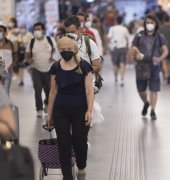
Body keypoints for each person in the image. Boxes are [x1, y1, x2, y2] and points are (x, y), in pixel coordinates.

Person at [47, 36, 94, 180]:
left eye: (68, 49)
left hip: (80, 109)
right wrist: (49, 114)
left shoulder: (84, 66)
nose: (65, 51)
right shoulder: (55, 67)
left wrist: (89, 110)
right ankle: (67, 176)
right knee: (63, 142)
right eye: (62, 49)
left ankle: (81, 168)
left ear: (75, 49)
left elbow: (89, 90)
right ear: (58, 50)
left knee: (79, 141)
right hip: (60, 110)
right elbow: (53, 91)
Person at [131, 14, 168, 120]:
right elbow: (132, 48)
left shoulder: (159, 36)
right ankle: (146, 103)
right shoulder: (138, 36)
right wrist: (135, 54)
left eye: (152, 23)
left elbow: (166, 50)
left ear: (156, 24)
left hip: (154, 66)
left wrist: (160, 59)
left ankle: (153, 110)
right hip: (141, 65)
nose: (149, 24)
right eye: (147, 22)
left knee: (154, 89)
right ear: (144, 24)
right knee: (141, 89)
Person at [25, 22, 57, 118]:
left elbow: (56, 51)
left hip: (49, 69)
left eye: (39, 29)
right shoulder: (32, 42)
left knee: (48, 89)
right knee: (37, 90)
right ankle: (38, 109)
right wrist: (29, 60)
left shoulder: (50, 40)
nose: (37, 31)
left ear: (43, 30)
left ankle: (47, 103)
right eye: (35, 29)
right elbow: (27, 54)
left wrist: (53, 57)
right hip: (36, 69)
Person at [107, 16, 130, 86]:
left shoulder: (112, 28)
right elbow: (127, 38)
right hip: (123, 48)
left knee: (115, 64)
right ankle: (122, 79)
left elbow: (108, 38)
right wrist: (128, 47)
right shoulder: (124, 29)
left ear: (116, 21)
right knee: (122, 63)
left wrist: (109, 46)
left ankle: (115, 78)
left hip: (114, 48)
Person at [0, 22, 17, 94]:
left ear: (5, 32)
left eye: (1, 31)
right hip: (1, 67)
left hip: (8, 68)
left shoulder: (10, 43)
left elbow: (15, 56)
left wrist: (12, 65)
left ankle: (5, 104)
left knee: (6, 90)